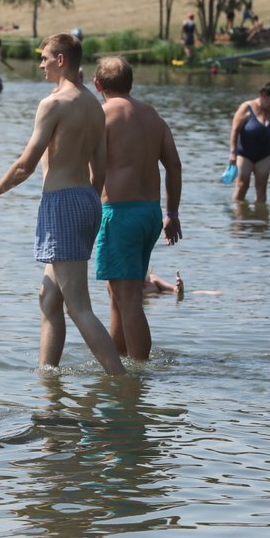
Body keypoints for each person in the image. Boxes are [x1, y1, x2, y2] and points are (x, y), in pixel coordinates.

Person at [0, 34, 125, 375]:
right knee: (48, 297)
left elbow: (26, 165)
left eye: (45, 57)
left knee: (79, 307)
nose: (41, 63)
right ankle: (48, 378)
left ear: (61, 60)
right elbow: (100, 169)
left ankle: (121, 382)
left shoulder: (55, 104)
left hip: (62, 203)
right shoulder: (93, 103)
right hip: (87, 199)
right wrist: (86, 202)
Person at [92, 56, 182, 361]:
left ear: (97, 85)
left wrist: (86, 208)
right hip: (150, 214)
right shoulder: (153, 116)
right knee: (116, 294)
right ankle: (118, 361)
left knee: (128, 297)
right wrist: (172, 213)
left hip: (120, 213)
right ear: (130, 83)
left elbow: (95, 170)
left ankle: (138, 374)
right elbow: (174, 164)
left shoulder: (102, 115)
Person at [229, 82, 270, 203]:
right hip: (245, 155)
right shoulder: (246, 108)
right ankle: (238, 218)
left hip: (264, 156)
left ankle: (261, 219)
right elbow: (235, 130)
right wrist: (233, 152)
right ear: (263, 95)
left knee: (261, 188)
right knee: (242, 186)